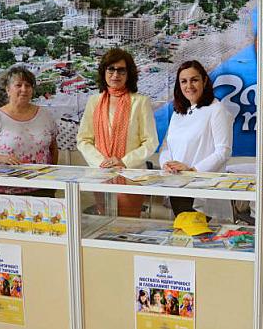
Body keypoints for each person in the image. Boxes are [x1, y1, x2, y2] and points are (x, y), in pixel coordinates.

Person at [77, 48, 158, 216]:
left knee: (128, 226)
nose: (115, 75)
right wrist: (102, 162)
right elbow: (83, 140)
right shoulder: (94, 102)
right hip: (101, 175)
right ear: (104, 72)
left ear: (129, 74)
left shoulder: (140, 102)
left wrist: (123, 162)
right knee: (103, 224)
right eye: (111, 69)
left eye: (121, 70)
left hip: (131, 177)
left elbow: (150, 142)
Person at [160, 60, 233, 216]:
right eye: (184, 81)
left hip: (203, 191)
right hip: (177, 187)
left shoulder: (216, 109)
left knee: (203, 231)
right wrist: (166, 164)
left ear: (204, 81)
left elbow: (223, 152)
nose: (189, 86)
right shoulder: (178, 112)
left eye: (194, 80)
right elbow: (166, 146)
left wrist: (192, 170)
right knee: (181, 230)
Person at [0, 65, 59, 167]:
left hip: (42, 176)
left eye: (28, 85)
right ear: (8, 89)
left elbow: (53, 149)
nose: (24, 89)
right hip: (7, 176)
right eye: (18, 85)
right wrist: (2, 158)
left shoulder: (45, 115)